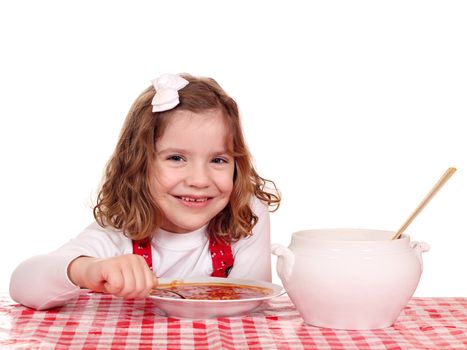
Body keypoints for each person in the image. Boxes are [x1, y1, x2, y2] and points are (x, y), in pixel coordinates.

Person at [9, 73, 281, 310]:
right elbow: (23, 284)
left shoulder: (245, 214)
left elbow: (253, 302)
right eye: (176, 158)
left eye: (218, 160)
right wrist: (87, 270)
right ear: (139, 165)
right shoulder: (120, 232)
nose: (199, 180)